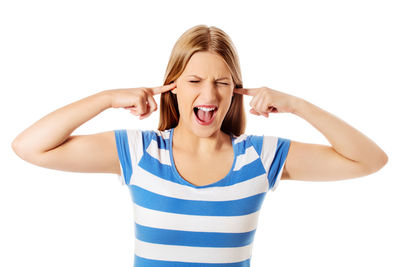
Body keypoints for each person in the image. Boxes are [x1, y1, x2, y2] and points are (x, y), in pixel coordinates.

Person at [11, 24, 388, 266]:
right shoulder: (140, 152)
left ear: (235, 92)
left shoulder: (261, 157)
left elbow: (370, 160)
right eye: (194, 80)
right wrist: (108, 97)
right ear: (172, 87)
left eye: (222, 83)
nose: (208, 94)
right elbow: (30, 147)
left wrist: (298, 106)